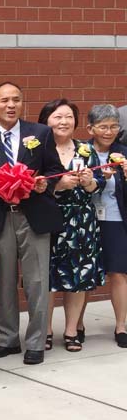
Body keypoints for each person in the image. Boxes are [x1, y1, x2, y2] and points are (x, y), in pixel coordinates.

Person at [0, 82, 64, 366]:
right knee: (5, 280)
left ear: (22, 104)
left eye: (16, 100)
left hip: (34, 215)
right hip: (1, 216)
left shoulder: (41, 133)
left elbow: (55, 169)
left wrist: (44, 184)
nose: (11, 105)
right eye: (5, 101)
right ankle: (8, 339)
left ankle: (36, 341)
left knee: (37, 280)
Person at [39, 100, 103, 352]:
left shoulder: (86, 150)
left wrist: (89, 183)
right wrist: (58, 186)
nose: (64, 122)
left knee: (78, 276)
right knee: (47, 277)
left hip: (82, 221)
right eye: (58, 117)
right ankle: (44, 329)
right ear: (46, 120)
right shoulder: (39, 149)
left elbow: (98, 184)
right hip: (49, 219)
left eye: (69, 117)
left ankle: (71, 330)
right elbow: (33, 186)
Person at [87, 105, 127, 347]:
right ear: (91, 128)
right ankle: (77, 325)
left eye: (113, 126)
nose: (108, 131)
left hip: (114, 218)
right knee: (85, 273)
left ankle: (121, 325)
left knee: (119, 272)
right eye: (103, 126)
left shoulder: (123, 152)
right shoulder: (81, 151)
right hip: (85, 219)